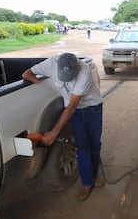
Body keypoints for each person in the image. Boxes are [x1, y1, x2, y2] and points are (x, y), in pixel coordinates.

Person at [22, 53, 104, 201]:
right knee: (82, 145)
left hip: (92, 108)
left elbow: (72, 106)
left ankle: (95, 173)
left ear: (77, 67)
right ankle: (87, 182)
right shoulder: (51, 63)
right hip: (76, 112)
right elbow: (27, 73)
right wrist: (38, 84)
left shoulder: (84, 71)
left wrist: (54, 132)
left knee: (95, 144)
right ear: (57, 66)